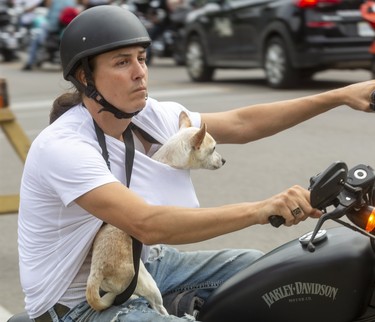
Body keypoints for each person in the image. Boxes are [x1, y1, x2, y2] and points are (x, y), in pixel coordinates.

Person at [17, 5, 375, 322]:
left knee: (272, 272)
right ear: (85, 77)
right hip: (78, 304)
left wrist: (339, 96)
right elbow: (147, 224)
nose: (140, 71)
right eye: (122, 62)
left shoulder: (147, 115)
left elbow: (241, 123)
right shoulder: (64, 147)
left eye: (141, 57)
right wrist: (259, 209)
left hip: (145, 264)